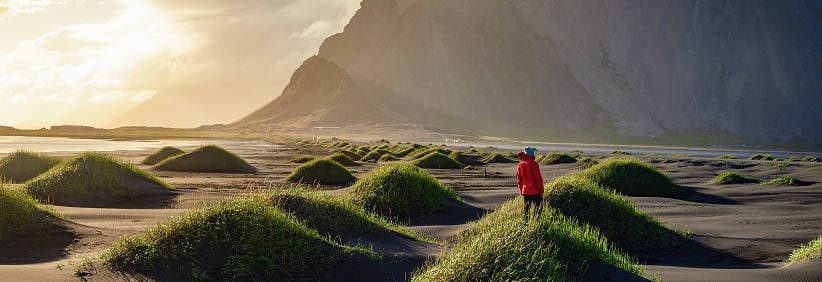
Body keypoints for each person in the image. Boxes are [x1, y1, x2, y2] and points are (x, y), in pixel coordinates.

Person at [517, 147, 544, 220]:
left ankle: (526, 223)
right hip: (535, 191)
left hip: (525, 191)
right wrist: (541, 190)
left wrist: (521, 190)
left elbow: (519, 179)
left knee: (526, 209)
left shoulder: (520, 164)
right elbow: (538, 178)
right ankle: (536, 221)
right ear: (531, 154)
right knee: (539, 207)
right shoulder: (534, 164)